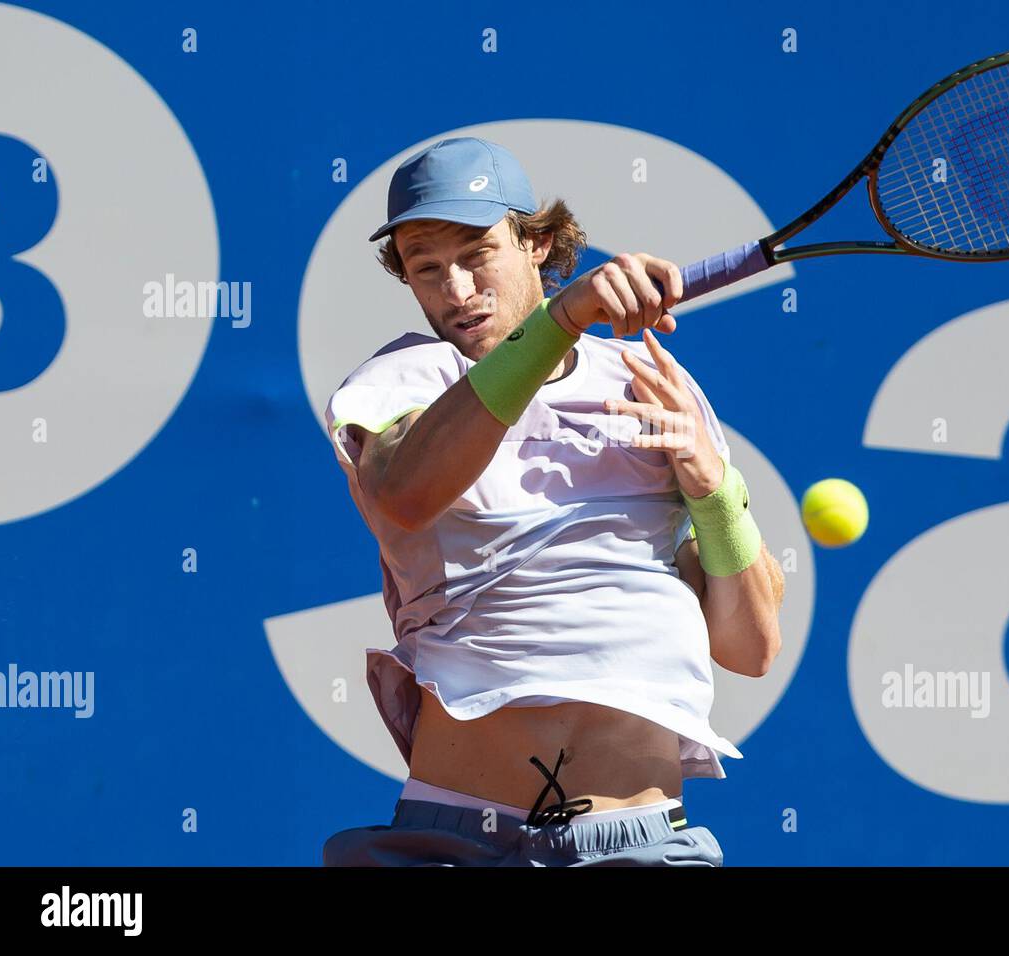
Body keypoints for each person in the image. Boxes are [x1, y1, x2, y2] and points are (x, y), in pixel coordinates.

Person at [321, 137, 785, 866]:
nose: (458, 290)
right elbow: (406, 495)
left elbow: (750, 646)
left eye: (477, 255)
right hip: (454, 839)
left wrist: (712, 488)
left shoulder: (651, 384)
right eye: (427, 268)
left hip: (641, 841)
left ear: (536, 242)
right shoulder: (405, 379)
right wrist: (558, 320)